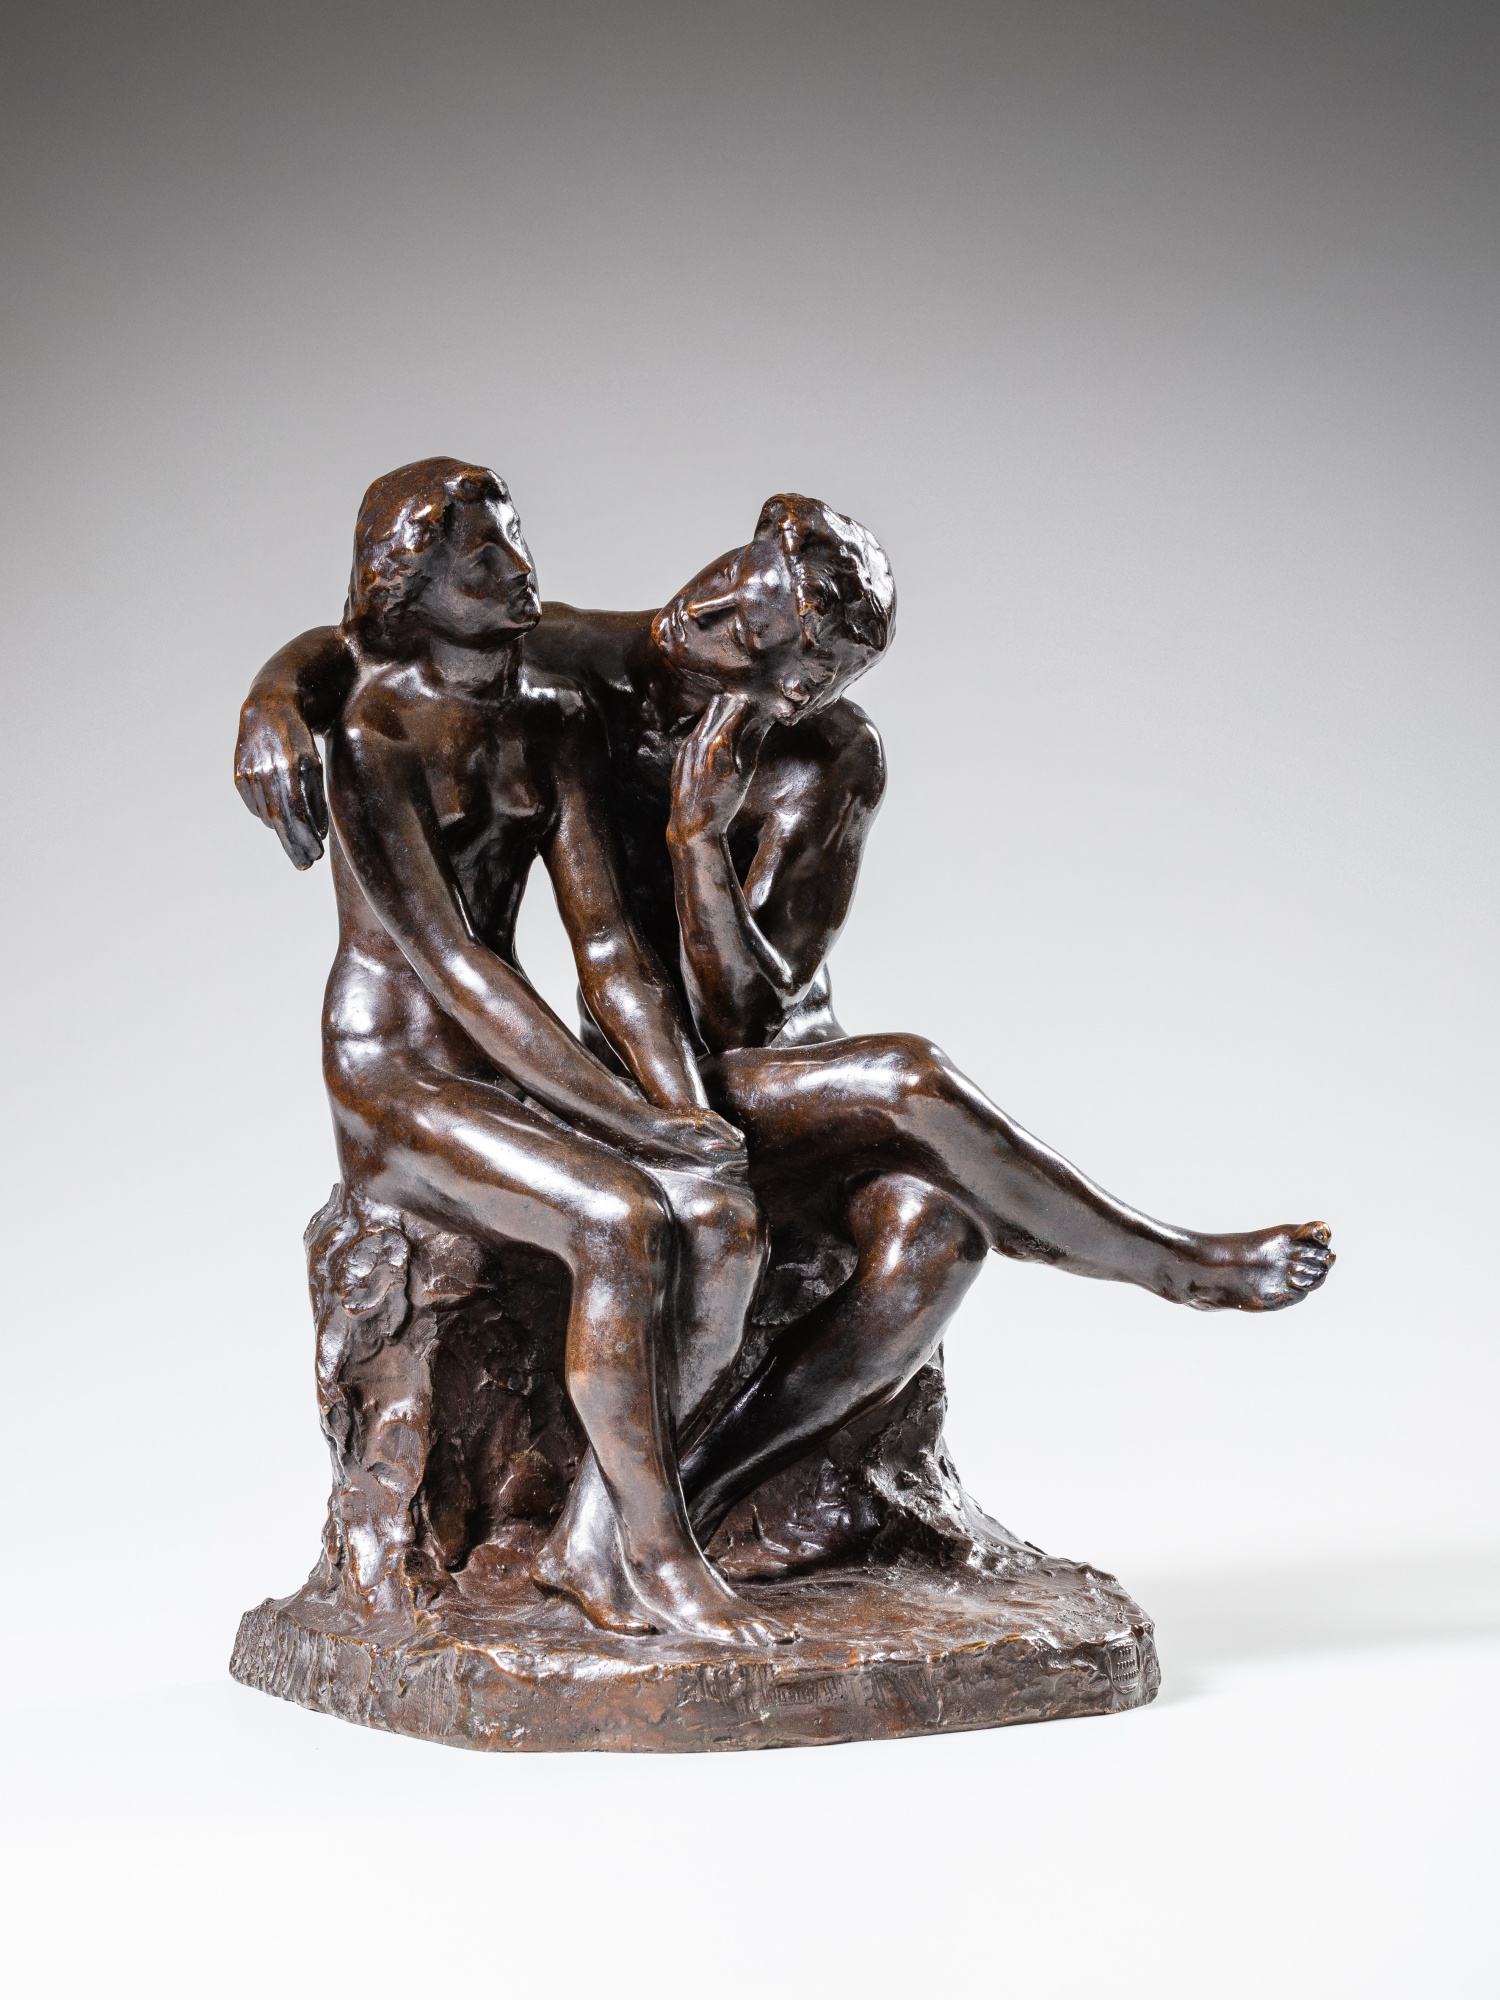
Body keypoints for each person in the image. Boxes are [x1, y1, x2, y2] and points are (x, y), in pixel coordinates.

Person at [237, 484, 1334, 1565]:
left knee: (929, 1220)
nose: (697, 618)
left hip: (766, 1074)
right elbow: (369, 637)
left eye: (743, 636)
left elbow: (747, 1012)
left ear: (797, 688)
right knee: (916, 1111)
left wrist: (698, 844)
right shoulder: (585, 663)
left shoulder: (827, 764)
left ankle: (683, 1499)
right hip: (650, 1077)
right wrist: (272, 704)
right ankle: (1171, 1265)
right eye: (726, 583)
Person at [273, 454, 790, 1647]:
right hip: (399, 1073)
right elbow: (459, 966)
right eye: (481, 556)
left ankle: (599, 1537)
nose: (519, 568)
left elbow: (607, 950)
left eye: (514, 538)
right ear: (407, 588)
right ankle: (663, 1556)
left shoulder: (552, 721)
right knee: (620, 1216)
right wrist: (633, 1123)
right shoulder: (371, 735)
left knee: (722, 1218)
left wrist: (685, 1109)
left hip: (506, 1065)